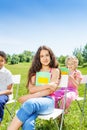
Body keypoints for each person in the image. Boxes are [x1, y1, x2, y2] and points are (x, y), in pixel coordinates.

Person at [8, 45, 61, 130]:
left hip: (48, 101)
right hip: (35, 101)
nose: (45, 58)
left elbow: (50, 91)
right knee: (27, 122)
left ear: (51, 56)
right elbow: (31, 89)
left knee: (29, 103)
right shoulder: (34, 72)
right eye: (42, 56)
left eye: (47, 55)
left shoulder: (55, 71)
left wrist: (29, 97)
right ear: (38, 58)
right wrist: (48, 85)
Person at [0, 51, 13, 125]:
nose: (0, 62)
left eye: (2, 60)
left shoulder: (7, 73)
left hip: (4, 95)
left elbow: (10, 90)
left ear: (5, 61)